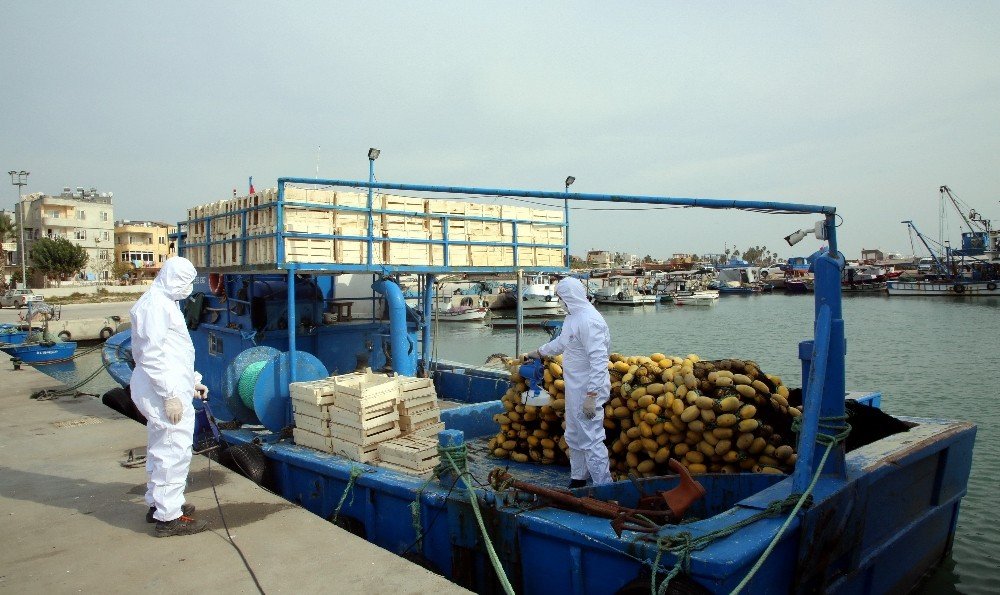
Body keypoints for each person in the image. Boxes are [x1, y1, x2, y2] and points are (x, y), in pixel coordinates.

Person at [129, 256, 210, 537]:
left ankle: (159, 504)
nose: (188, 289)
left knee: (161, 445)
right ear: (175, 279)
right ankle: (169, 518)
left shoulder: (164, 303)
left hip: (169, 387)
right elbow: (151, 356)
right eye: (186, 282)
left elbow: (175, 354)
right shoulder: (155, 307)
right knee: (173, 451)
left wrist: (192, 382)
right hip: (162, 391)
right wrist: (171, 395)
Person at [522, 277, 612, 487]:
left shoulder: (590, 321)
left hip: (589, 389)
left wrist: (592, 395)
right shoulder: (573, 318)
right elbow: (562, 343)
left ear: (569, 297)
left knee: (591, 438)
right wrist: (539, 352)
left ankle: (604, 487)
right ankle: (578, 478)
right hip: (574, 388)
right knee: (573, 434)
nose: (559, 301)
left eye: (561, 297)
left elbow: (599, 361)